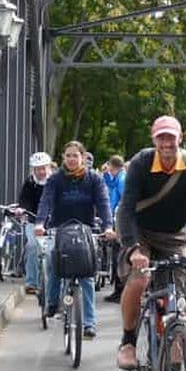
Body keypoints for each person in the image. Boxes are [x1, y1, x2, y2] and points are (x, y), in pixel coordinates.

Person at [115, 115, 186, 370]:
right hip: (141, 232)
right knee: (140, 279)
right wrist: (132, 248)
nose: (166, 143)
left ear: (180, 139)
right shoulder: (141, 163)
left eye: (171, 137)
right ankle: (128, 342)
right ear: (154, 139)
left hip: (174, 236)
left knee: (176, 301)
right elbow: (126, 208)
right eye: (161, 137)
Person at [35, 140, 114, 340]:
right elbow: (46, 201)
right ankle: (52, 302)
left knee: (87, 275)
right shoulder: (56, 180)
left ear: (83, 157)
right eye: (68, 155)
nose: (71, 159)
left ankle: (89, 323)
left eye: (75, 155)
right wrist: (40, 223)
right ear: (63, 158)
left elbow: (103, 203)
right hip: (60, 229)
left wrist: (108, 226)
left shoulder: (93, 179)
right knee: (54, 264)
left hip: (85, 230)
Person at [17, 152, 53, 294]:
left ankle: (53, 282)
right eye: (37, 168)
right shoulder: (30, 183)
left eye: (43, 168)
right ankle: (31, 282)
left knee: (53, 251)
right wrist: (22, 209)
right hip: (33, 220)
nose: (41, 172)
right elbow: (24, 199)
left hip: (52, 222)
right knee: (32, 245)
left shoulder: (55, 182)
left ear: (48, 167)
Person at [102, 155, 127, 303]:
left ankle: (120, 290)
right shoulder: (119, 177)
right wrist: (105, 174)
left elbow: (125, 199)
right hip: (116, 218)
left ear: (113, 165)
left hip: (120, 219)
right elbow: (111, 185)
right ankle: (118, 289)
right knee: (117, 254)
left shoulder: (123, 179)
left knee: (118, 255)